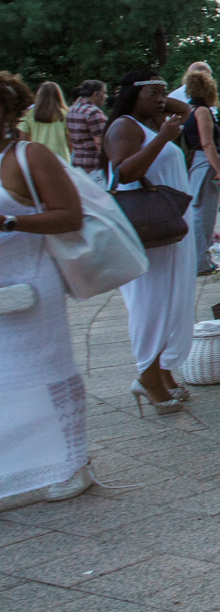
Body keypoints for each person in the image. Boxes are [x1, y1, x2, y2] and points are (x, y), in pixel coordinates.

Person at [0, 72, 92, 508]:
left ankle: (75, 464)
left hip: (32, 283)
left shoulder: (28, 155)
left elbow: (70, 216)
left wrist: (11, 223)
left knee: (51, 371)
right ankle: (17, 466)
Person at [104, 72, 199, 414]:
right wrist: (161, 138)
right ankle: (147, 377)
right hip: (147, 229)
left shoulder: (154, 120)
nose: (162, 100)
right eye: (153, 94)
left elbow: (184, 109)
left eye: (163, 93)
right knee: (151, 302)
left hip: (170, 224)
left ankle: (162, 371)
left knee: (172, 300)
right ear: (133, 95)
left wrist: (156, 96)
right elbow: (124, 173)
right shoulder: (125, 127)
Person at [181, 70, 220, 276]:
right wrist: (219, 170)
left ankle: (200, 260)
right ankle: (201, 262)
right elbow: (207, 142)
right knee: (204, 216)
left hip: (197, 164)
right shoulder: (203, 111)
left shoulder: (190, 110)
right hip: (206, 163)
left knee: (200, 213)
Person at [21, 82, 71, 166]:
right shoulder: (65, 114)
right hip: (61, 159)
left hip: (36, 158)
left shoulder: (29, 114)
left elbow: (23, 139)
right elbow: (69, 141)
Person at [66, 80, 109, 176]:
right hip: (93, 165)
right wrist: (107, 164)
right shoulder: (94, 112)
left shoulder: (73, 109)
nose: (106, 96)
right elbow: (99, 141)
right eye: (104, 93)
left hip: (77, 161)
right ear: (95, 94)